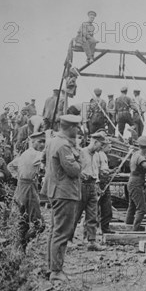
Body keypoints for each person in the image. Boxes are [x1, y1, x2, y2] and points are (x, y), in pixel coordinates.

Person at [41, 114, 83, 282]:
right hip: (65, 192)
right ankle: (56, 271)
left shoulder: (52, 142)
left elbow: (43, 158)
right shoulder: (64, 145)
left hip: (55, 190)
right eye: (77, 127)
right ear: (70, 128)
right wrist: (78, 157)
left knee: (55, 230)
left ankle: (52, 267)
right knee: (62, 232)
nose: (79, 130)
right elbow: (74, 170)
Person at [7, 131, 46, 253]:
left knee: (22, 221)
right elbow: (50, 157)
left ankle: (18, 249)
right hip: (29, 187)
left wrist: (18, 176)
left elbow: (10, 166)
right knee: (39, 224)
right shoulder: (36, 154)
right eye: (40, 141)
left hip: (21, 186)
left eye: (44, 141)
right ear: (32, 142)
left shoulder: (24, 154)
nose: (42, 144)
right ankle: (23, 243)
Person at [74, 131, 108, 250]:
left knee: (92, 215)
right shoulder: (81, 153)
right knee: (75, 214)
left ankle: (91, 241)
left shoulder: (97, 155)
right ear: (95, 142)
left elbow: (96, 171)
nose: (102, 148)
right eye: (101, 145)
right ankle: (67, 239)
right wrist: (79, 174)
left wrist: (97, 185)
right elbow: (71, 167)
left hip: (93, 186)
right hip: (81, 186)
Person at [125, 136, 146, 232]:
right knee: (141, 208)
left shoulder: (136, 153)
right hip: (136, 183)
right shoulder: (139, 156)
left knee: (132, 206)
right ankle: (136, 228)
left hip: (133, 181)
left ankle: (129, 224)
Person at [95, 138, 113, 234]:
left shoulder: (105, 156)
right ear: (104, 146)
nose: (110, 149)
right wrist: (98, 185)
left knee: (107, 206)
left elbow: (105, 169)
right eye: (109, 147)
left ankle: (105, 228)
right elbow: (97, 170)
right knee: (96, 207)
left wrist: (112, 171)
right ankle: (95, 229)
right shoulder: (97, 155)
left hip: (105, 181)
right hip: (100, 181)